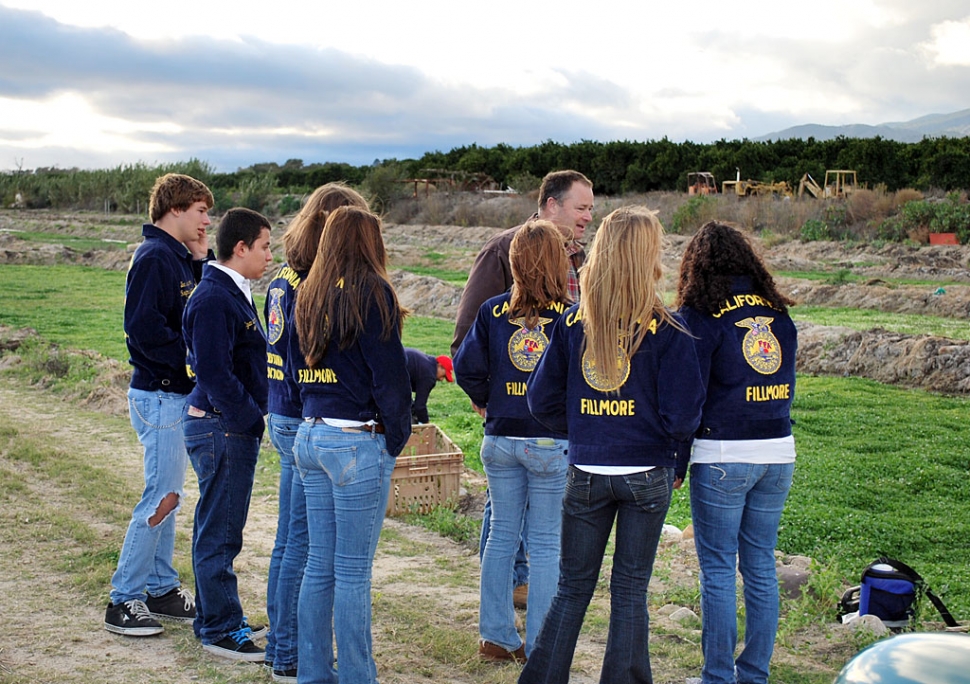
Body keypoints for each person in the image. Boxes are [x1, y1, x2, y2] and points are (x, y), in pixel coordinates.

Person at [520, 206, 704, 684]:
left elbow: (540, 401)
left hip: (586, 473)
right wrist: (664, 446)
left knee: (572, 588)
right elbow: (683, 416)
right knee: (628, 591)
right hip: (646, 475)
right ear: (648, 259)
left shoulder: (572, 326)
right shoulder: (670, 330)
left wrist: (585, 430)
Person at [451, 169, 594, 606]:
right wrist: (487, 399)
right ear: (551, 204)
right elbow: (465, 339)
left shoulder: (580, 257)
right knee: (518, 525)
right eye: (581, 207)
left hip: (531, 427)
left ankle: (504, 615)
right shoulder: (502, 249)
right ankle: (519, 595)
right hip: (527, 424)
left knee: (514, 525)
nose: (589, 216)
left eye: (591, 208)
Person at [290, 206, 412, 684]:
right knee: (353, 572)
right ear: (370, 244)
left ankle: (314, 673)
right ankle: (359, 676)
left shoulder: (309, 291)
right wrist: (395, 439)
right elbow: (391, 379)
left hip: (311, 433)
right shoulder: (372, 291)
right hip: (354, 440)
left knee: (320, 564)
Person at [675, 221, 797, 684]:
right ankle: (754, 675)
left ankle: (717, 678)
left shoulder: (700, 315)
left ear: (696, 265)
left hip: (723, 452)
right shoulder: (779, 313)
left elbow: (689, 398)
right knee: (761, 565)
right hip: (778, 450)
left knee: (720, 570)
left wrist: (678, 460)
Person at [264, 183, 369, 682]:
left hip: (284, 411)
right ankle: (291, 653)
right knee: (306, 548)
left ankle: (283, 647)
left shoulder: (285, 274)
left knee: (291, 540)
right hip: (306, 413)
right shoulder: (317, 281)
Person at [453, 220, 571, 662]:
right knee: (544, 545)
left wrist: (489, 401)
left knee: (501, 536)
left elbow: (466, 368)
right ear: (559, 264)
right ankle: (541, 644)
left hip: (500, 439)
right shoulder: (569, 317)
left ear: (516, 263)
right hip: (548, 442)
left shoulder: (492, 311)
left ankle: (496, 637)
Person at [104, 173, 213, 636]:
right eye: (201, 210)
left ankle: (162, 588)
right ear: (174, 209)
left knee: (171, 495)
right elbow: (143, 330)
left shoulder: (181, 258)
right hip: (161, 394)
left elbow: (201, 312)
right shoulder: (153, 258)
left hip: (175, 395)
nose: (208, 220)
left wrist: (203, 262)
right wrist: (192, 367)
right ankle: (123, 599)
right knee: (162, 495)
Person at [182, 207, 273, 661]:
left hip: (226, 425)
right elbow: (213, 370)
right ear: (241, 248)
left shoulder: (232, 290)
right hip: (221, 426)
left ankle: (217, 615)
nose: (269, 255)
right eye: (265, 246)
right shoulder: (215, 298)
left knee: (219, 526)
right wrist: (250, 419)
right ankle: (219, 629)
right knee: (220, 531)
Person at [404, 347, 453, 424]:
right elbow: (420, 406)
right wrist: (427, 424)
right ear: (439, 366)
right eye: (443, 376)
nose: (441, 380)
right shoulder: (429, 376)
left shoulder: (427, 363)